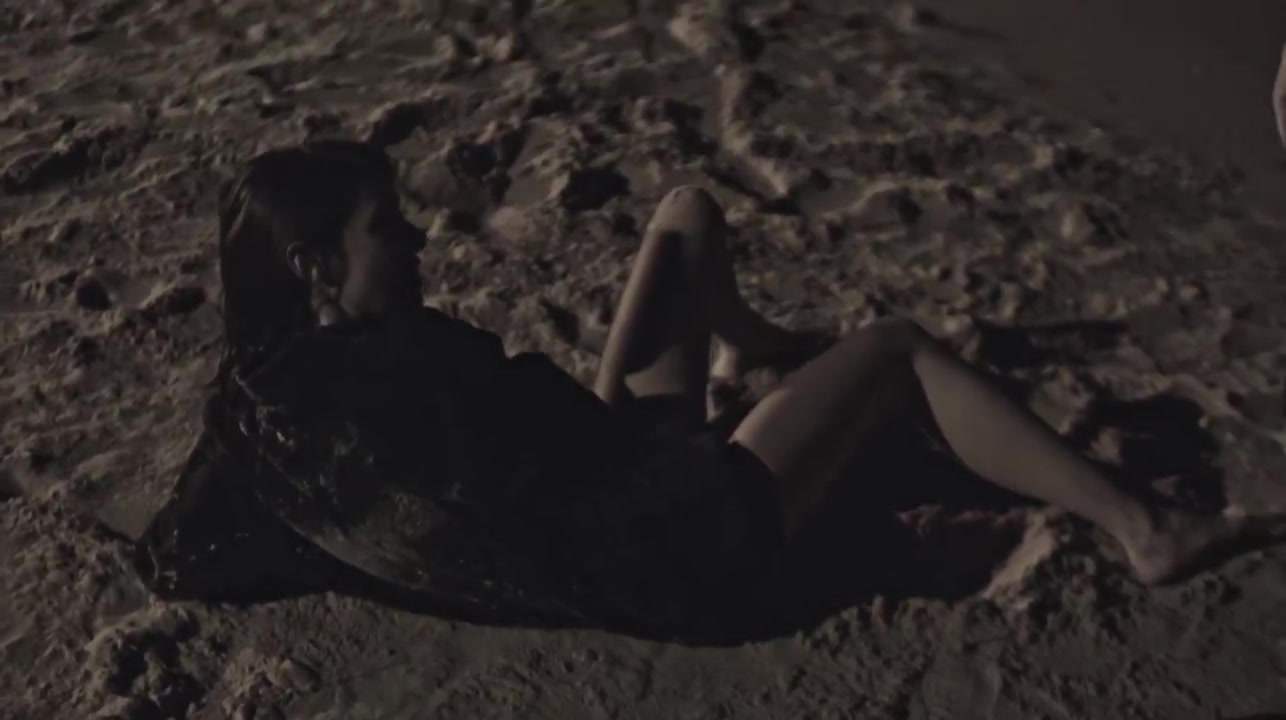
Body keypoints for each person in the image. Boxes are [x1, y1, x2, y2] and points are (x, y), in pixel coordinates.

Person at [134, 140, 1282, 643]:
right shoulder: (411, 370)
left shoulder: (251, 403)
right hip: (680, 550)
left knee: (683, 216)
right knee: (893, 351)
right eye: (388, 230)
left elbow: (179, 558)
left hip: (599, 486)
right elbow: (547, 461)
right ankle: (1147, 528)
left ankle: (757, 352)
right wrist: (719, 445)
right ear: (315, 268)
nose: (419, 243)